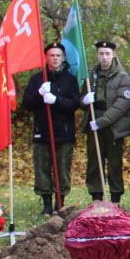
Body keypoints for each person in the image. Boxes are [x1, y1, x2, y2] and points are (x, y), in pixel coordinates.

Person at [21, 43, 80, 216]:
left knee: (62, 170)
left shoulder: (70, 80)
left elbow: (74, 104)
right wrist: (39, 94)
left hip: (63, 133)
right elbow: (26, 103)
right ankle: (46, 204)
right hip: (42, 132)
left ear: (63, 58)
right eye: (51, 55)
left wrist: (56, 100)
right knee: (42, 170)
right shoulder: (37, 79)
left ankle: (60, 204)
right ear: (46, 58)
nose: (54, 58)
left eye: (58, 55)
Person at [82, 40, 130, 203]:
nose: (104, 57)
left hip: (113, 126)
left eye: (107, 54)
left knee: (114, 164)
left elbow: (121, 104)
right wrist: (84, 100)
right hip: (93, 123)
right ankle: (96, 196)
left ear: (113, 55)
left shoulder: (122, 77)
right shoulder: (90, 75)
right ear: (97, 55)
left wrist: (102, 121)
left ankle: (115, 198)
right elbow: (80, 99)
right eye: (101, 53)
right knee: (94, 161)